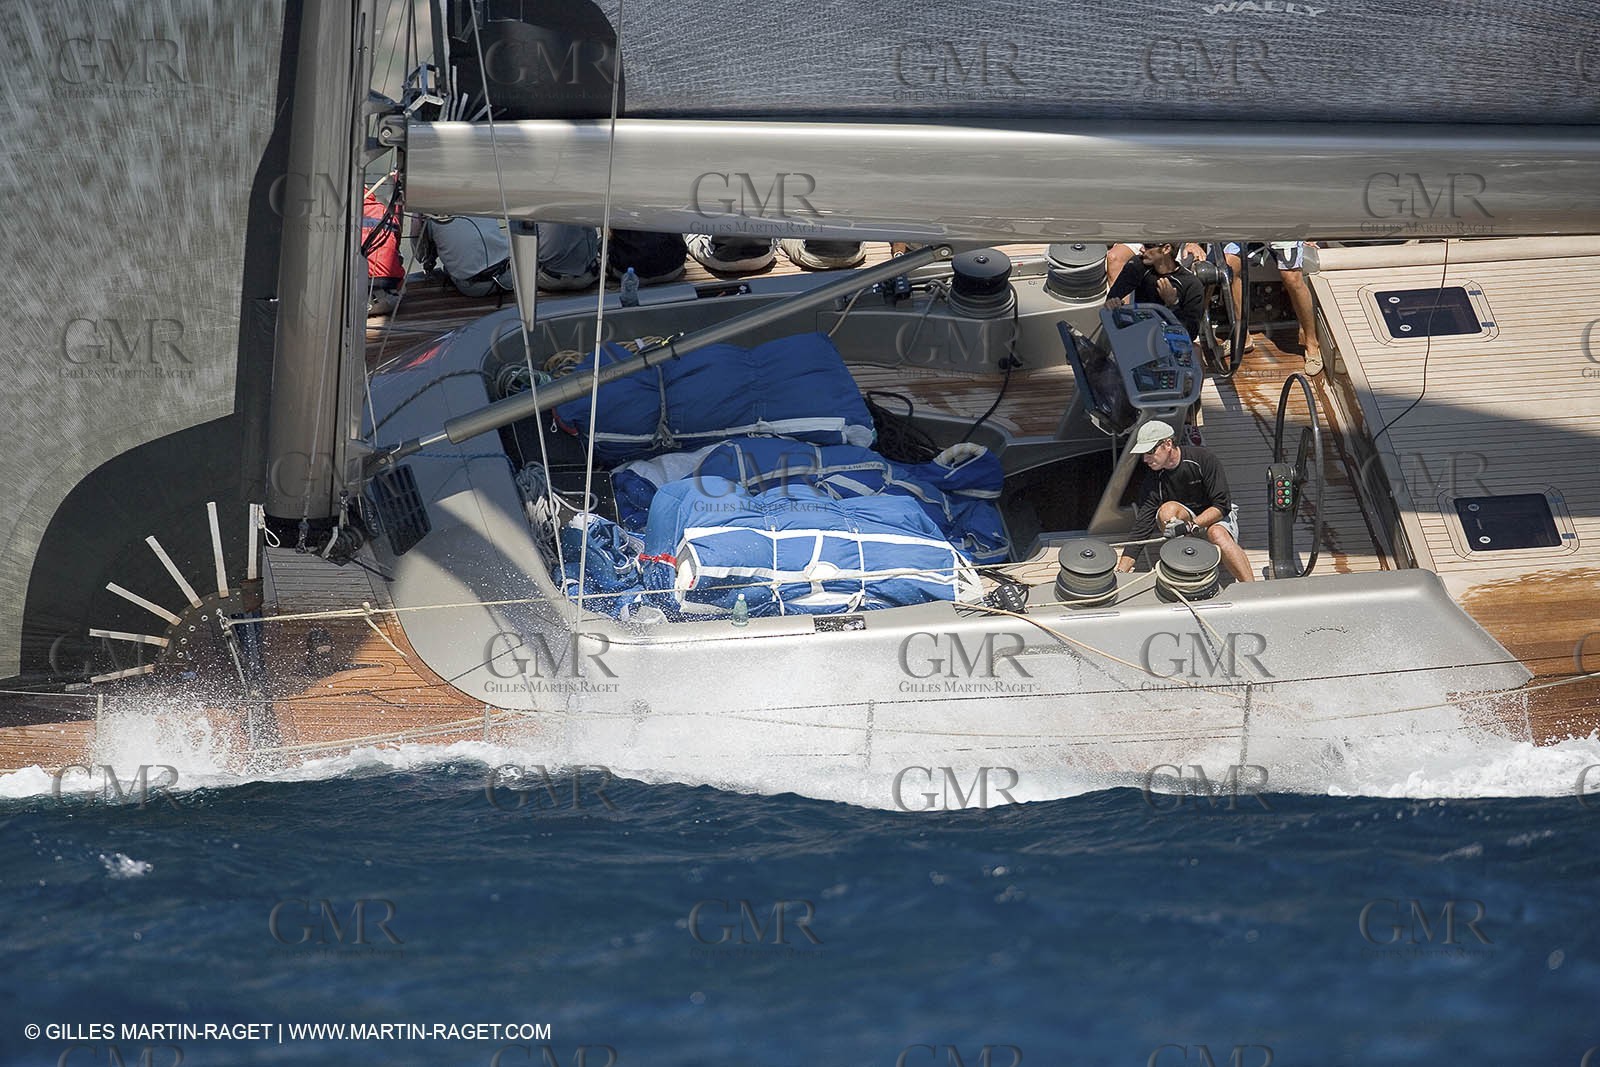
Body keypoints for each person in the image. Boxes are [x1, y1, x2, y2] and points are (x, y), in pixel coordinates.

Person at [1115, 420, 1254, 583]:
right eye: (1143, 454)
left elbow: (1222, 505)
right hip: (1184, 522)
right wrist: (1121, 572)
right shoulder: (1152, 479)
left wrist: (1190, 526)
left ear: (1168, 444)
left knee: (1217, 534)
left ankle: (1252, 587)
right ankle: (1188, 562)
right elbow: (1142, 528)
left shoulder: (1204, 458)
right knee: (1167, 511)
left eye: (1150, 451)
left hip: (1214, 515)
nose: (1145, 459)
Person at [1223, 241, 1322, 374]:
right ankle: (1243, 336)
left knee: (1292, 277)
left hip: (1283, 232)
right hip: (1248, 231)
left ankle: (1312, 343)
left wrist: (1309, 235)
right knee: (1230, 266)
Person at [1106, 242, 1206, 340]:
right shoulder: (1138, 266)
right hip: (1140, 336)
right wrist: (1113, 303)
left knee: (1195, 349)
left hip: (1171, 341)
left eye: (1148, 246)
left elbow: (1191, 333)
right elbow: (1113, 297)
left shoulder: (1191, 284)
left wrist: (1173, 304)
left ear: (1166, 249)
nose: (1142, 249)